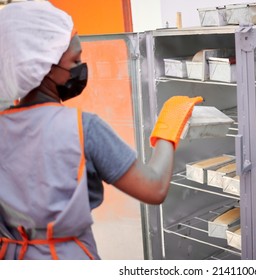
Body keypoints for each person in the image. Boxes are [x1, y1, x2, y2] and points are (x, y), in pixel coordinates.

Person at [0, 1, 202, 260]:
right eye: (75, 60)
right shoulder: (82, 128)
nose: (81, 67)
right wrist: (168, 127)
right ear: (43, 66)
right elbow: (154, 188)